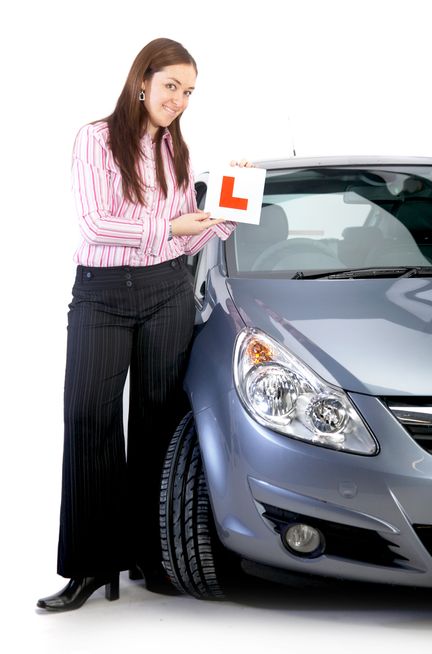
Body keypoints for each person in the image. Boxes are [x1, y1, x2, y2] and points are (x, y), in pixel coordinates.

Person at [37, 37, 253, 612]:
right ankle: (88, 566)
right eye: (170, 87)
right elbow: (98, 223)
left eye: (188, 91)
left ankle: (152, 557)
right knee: (89, 419)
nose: (179, 100)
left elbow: (186, 238)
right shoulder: (95, 139)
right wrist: (173, 227)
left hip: (166, 292)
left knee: (158, 423)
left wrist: (225, 217)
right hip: (102, 294)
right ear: (142, 81)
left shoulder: (177, 152)